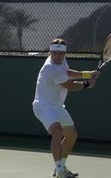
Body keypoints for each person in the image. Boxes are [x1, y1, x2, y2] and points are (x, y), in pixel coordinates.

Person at [32, 38, 100, 178]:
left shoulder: (61, 62)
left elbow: (67, 72)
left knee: (71, 135)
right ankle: (60, 170)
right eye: (54, 53)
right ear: (50, 52)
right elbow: (70, 85)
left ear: (64, 54)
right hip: (43, 105)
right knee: (57, 132)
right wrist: (87, 84)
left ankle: (61, 167)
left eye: (60, 54)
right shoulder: (51, 68)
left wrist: (88, 73)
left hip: (56, 105)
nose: (57, 56)